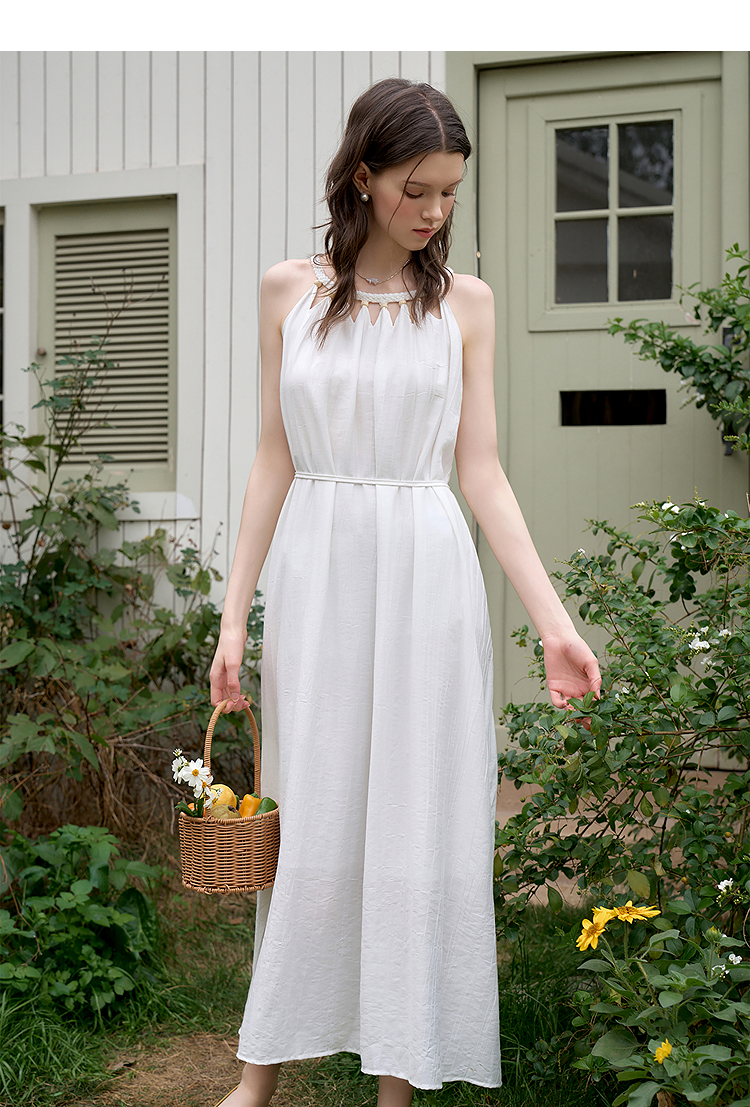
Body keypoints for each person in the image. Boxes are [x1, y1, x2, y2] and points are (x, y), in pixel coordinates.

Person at [209, 77, 601, 1107]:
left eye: (449, 192)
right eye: (415, 189)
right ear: (361, 176)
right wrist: (233, 619)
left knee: (418, 814)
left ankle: (399, 1080)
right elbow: (272, 459)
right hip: (318, 573)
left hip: (426, 573)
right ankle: (260, 1075)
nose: (434, 211)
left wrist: (554, 624)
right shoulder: (285, 292)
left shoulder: (464, 305)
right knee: (313, 806)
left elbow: (483, 472)